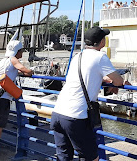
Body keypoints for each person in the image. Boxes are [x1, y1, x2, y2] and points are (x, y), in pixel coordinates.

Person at [51, 27, 129, 161]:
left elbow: (85, 76)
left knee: (63, 157)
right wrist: (116, 83)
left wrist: (105, 80)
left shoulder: (78, 56)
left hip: (58, 113)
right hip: (75, 116)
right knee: (91, 157)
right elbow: (118, 81)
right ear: (101, 42)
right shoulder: (100, 57)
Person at [0, 37, 33, 161]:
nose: (22, 53)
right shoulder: (13, 59)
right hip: (2, 100)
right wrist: (30, 71)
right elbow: (26, 70)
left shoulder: (3, 61)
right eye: (21, 50)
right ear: (17, 51)